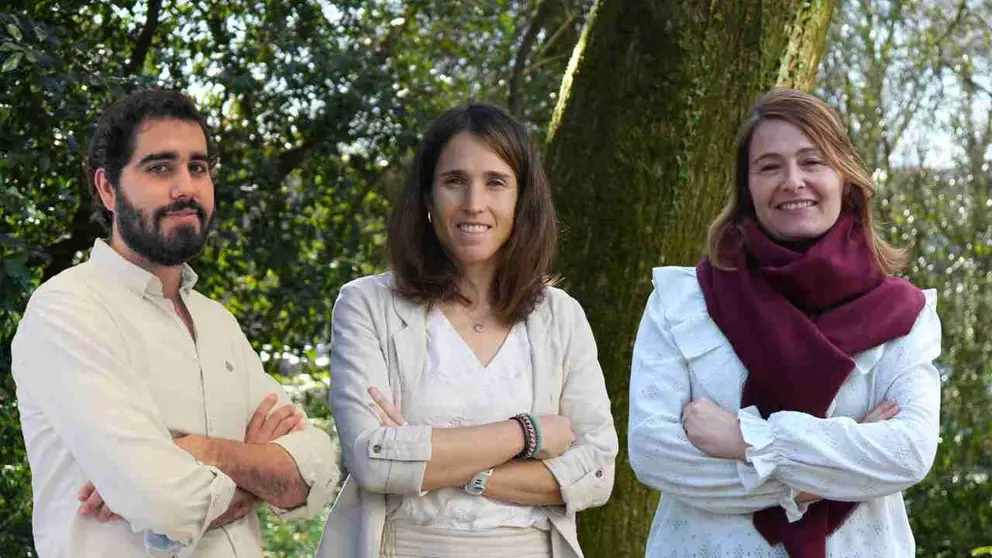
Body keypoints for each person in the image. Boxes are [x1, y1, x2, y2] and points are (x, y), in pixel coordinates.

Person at [11, 89, 337, 557]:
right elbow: (165, 501)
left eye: (198, 167)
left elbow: (317, 475)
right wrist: (259, 474)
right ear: (108, 188)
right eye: (160, 168)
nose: (186, 187)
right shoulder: (68, 311)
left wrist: (207, 452)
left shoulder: (218, 323)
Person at [627, 88, 941, 557]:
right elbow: (656, 454)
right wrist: (818, 481)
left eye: (812, 162)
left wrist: (749, 440)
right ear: (747, 187)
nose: (793, 181)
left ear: (844, 177)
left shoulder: (905, 313)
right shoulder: (682, 301)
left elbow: (908, 452)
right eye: (770, 166)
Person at [317, 102, 618, 558]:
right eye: (455, 181)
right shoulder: (367, 306)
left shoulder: (561, 316)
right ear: (426, 198)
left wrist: (442, 463)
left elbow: (596, 472)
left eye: (496, 182)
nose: (474, 203)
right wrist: (528, 435)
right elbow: (373, 459)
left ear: (522, 199)